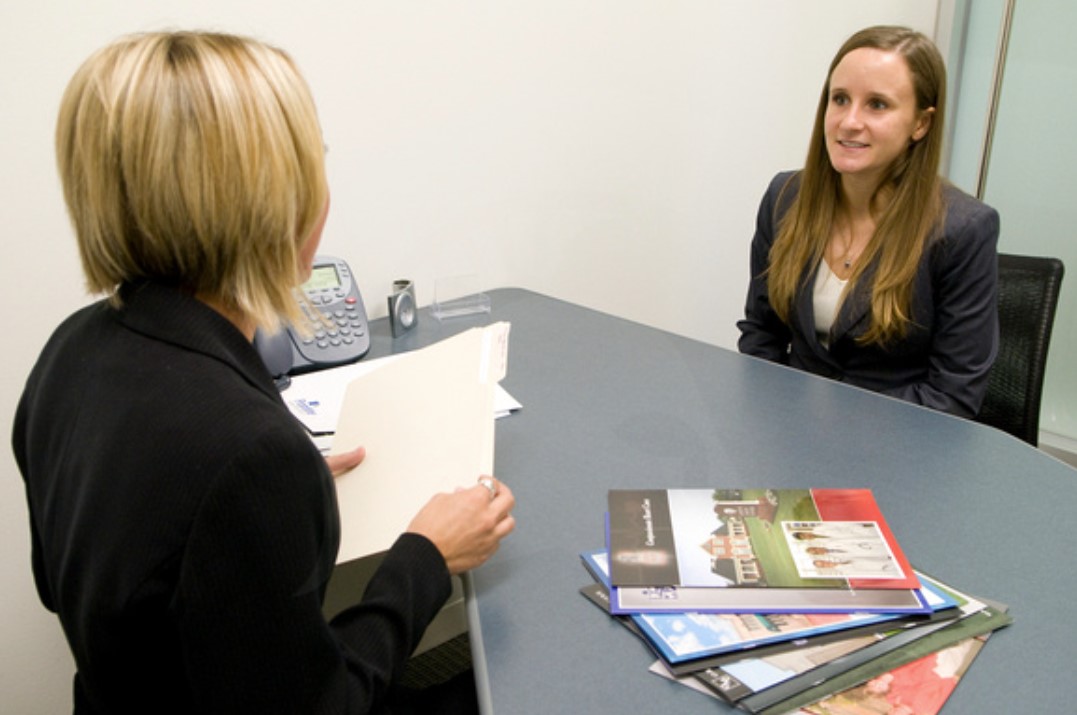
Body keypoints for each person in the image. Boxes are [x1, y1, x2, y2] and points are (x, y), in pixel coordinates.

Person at [12, 31, 515, 715]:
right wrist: (425, 556)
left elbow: (71, 579)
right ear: (276, 201)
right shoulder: (246, 453)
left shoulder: (67, 353)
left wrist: (268, 511)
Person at [737, 25, 1000, 418]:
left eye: (877, 105)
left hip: (896, 449)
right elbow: (762, 334)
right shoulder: (784, 197)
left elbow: (953, 396)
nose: (849, 121)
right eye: (840, 99)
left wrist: (827, 421)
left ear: (920, 124)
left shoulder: (963, 229)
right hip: (785, 432)